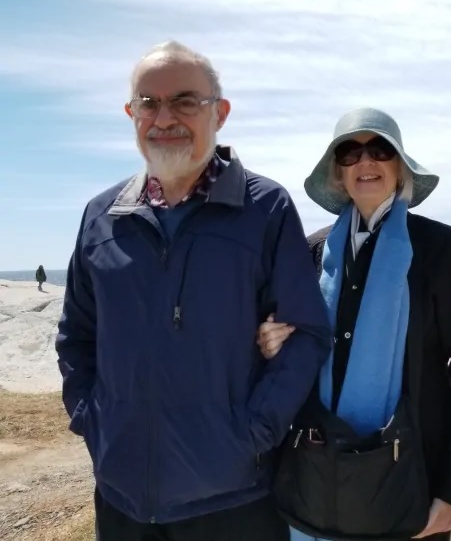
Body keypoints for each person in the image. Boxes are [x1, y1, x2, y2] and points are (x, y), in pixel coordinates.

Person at [55, 41, 331, 541]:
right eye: (149, 103)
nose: (165, 117)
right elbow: (77, 335)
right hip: (122, 498)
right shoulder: (101, 216)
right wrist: (91, 420)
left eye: (185, 100)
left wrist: (252, 435)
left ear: (219, 113)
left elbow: (307, 334)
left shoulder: (264, 209)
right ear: (131, 112)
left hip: (233, 501)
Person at [258, 108, 451, 541]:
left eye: (380, 150)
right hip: (313, 487)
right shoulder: (311, 251)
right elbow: (288, 354)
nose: (365, 162)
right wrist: (270, 343)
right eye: (349, 152)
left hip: (410, 490)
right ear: (338, 173)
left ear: (400, 166)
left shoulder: (439, 248)